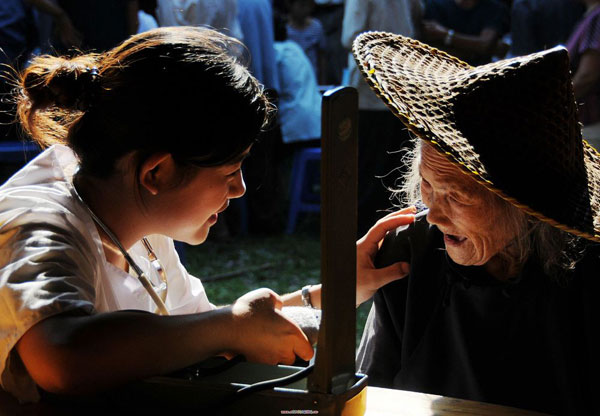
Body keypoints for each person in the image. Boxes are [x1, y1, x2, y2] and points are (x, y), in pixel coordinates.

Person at [0, 27, 320, 403]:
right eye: (230, 172)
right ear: (157, 172)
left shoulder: (138, 218)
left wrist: (340, 288)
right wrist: (229, 326)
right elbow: (62, 357)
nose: (240, 189)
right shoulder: (38, 223)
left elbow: (196, 330)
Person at [351, 32, 600, 415]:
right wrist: (335, 299)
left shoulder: (590, 272)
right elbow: (368, 397)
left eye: (456, 196)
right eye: (427, 186)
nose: (432, 214)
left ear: (525, 207)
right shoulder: (410, 254)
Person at [341, 0, 421, 236]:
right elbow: (353, 38)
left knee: (385, 174)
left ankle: (385, 234)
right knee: (375, 173)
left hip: (394, 94)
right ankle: (368, 235)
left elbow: (351, 37)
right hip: (375, 94)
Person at [422, 0, 509, 65]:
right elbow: (432, 47)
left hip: (480, 73)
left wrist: (446, 35)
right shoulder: (436, 4)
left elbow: (485, 44)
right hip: (442, 68)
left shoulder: (494, 7)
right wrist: (473, 50)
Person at [566, 0, 600, 150]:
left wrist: (552, 101)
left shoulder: (597, 17)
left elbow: (587, 75)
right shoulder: (591, 16)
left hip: (593, 126)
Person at [285, 0, 327, 84]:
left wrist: (322, 81)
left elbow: (321, 57)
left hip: (312, 79)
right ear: (291, 6)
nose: (305, 9)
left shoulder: (316, 27)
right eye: (301, 5)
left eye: (308, 5)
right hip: (291, 78)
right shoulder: (285, 29)